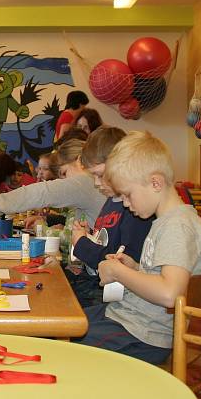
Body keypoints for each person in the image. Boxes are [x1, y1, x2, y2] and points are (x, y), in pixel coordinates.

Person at [75, 131, 201, 364]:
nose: (125, 204)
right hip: (129, 319)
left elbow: (170, 293)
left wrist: (119, 272)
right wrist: (136, 268)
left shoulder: (178, 226)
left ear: (155, 183)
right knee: (64, 323)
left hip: (144, 335)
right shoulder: (165, 222)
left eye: (127, 195)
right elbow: (162, 276)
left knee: (64, 345)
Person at [67, 127, 152, 307]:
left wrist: (81, 243)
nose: (97, 184)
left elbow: (122, 263)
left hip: (112, 294)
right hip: (96, 283)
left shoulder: (134, 208)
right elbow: (108, 240)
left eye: (100, 175)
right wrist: (89, 234)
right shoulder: (111, 201)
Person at [0, 138, 105, 228]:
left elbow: (41, 192)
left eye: (64, 173)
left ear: (79, 161)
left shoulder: (85, 182)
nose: (64, 181)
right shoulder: (91, 183)